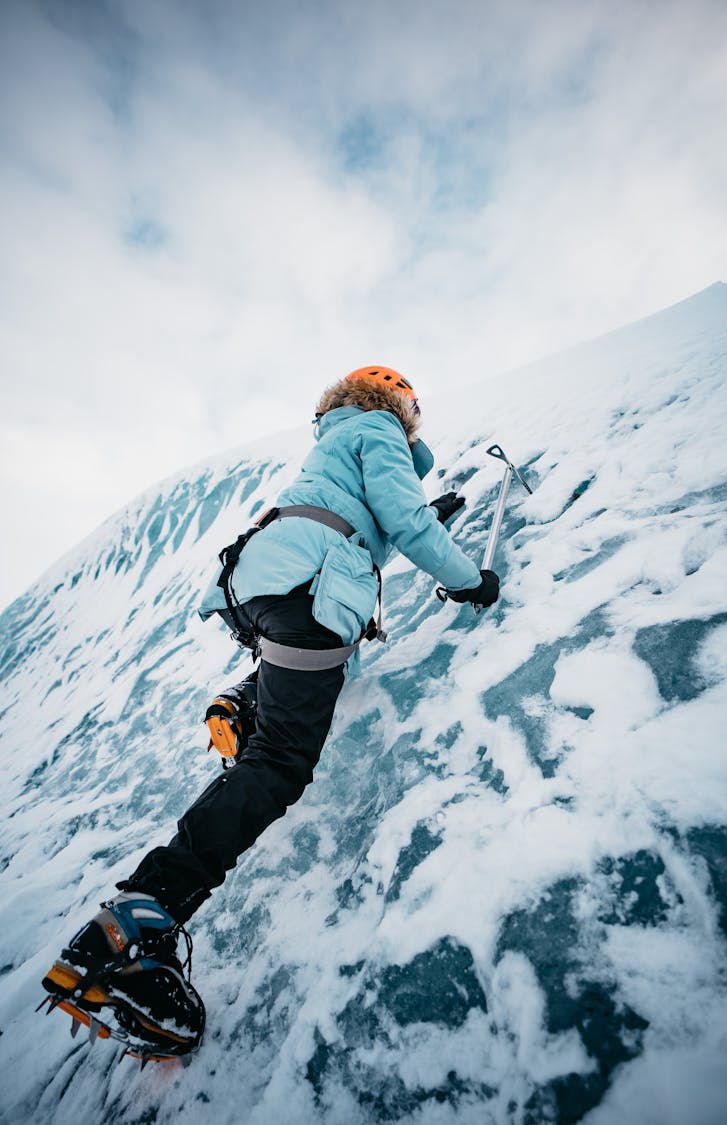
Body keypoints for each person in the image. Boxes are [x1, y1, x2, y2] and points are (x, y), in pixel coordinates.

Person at [41, 367, 500, 1058]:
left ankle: (244, 701)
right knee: (281, 761)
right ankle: (136, 926)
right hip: (308, 586)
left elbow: (377, 516)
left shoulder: (337, 440)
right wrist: (470, 578)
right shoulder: (378, 428)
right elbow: (399, 519)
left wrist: (429, 516)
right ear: (399, 404)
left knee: (300, 680)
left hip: (262, 583)